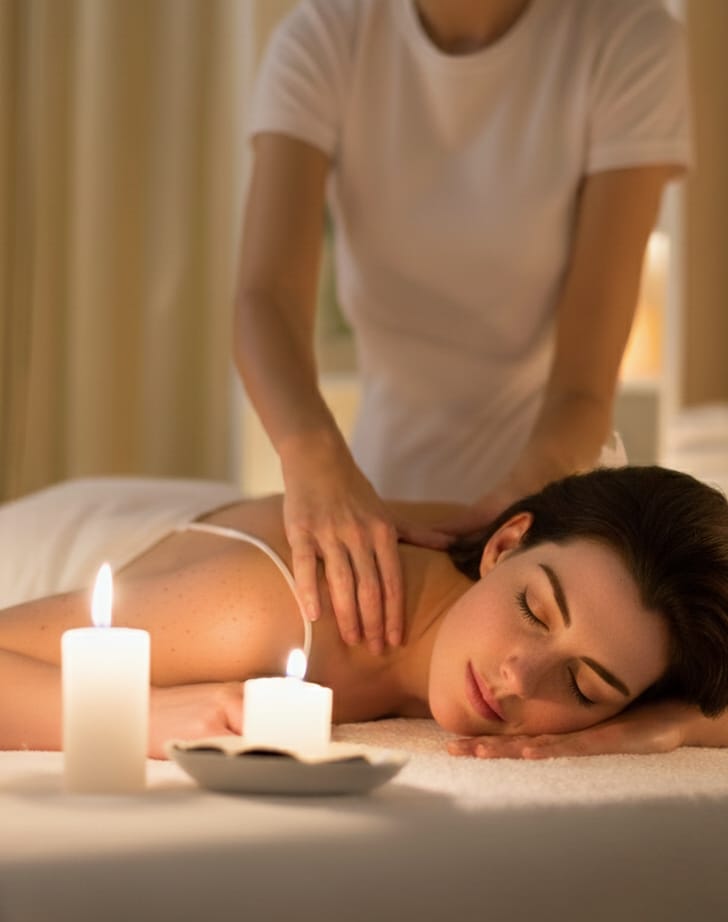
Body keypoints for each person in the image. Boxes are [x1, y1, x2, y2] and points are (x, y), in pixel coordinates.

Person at [234, 0, 693, 657]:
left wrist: (515, 514)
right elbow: (263, 297)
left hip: (541, 518)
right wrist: (313, 458)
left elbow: (582, 386)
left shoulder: (629, 40)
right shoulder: (325, 35)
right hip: (371, 500)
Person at [2, 465, 727, 760]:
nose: (519, 675)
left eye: (585, 687)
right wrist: (145, 714)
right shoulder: (265, 612)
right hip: (65, 538)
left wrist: (668, 725)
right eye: (535, 612)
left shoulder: (616, 601)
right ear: (504, 544)